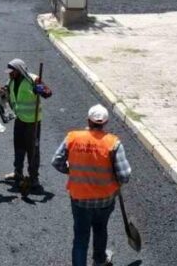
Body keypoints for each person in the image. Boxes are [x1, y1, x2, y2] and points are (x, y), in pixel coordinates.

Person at [52, 105, 132, 266]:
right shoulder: (113, 143)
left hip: (80, 200)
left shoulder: (73, 138)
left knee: (81, 238)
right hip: (105, 200)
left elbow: (56, 161)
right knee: (100, 229)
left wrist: (72, 171)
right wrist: (115, 181)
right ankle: (99, 260)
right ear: (105, 122)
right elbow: (124, 175)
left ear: (88, 120)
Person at [1, 58, 53, 191]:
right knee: (18, 147)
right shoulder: (12, 81)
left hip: (32, 122)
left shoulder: (33, 80)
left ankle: (34, 178)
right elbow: (7, 92)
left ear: (19, 70)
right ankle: (18, 173)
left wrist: (40, 90)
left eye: (12, 72)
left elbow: (48, 93)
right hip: (20, 119)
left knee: (32, 150)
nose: (9, 74)